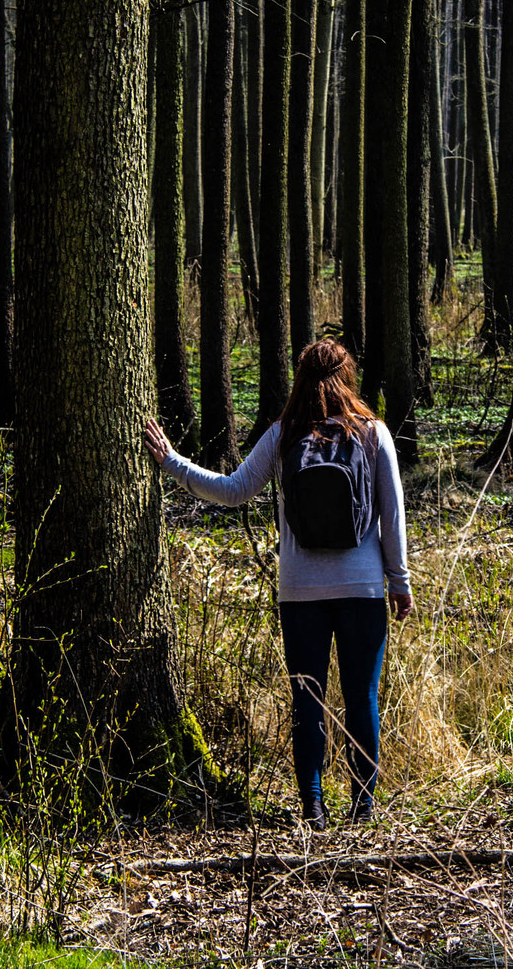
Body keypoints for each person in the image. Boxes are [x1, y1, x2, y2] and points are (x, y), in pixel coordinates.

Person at [143, 338, 412, 829]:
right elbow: (392, 517)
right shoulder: (374, 434)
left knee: (306, 698)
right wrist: (399, 581)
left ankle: (312, 805)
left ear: (302, 380)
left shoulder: (283, 435)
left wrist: (172, 463)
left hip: (300, 592)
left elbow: (232, 491)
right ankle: (363, 805)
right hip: (363, 589)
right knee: (361, 697)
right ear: (346, 378)